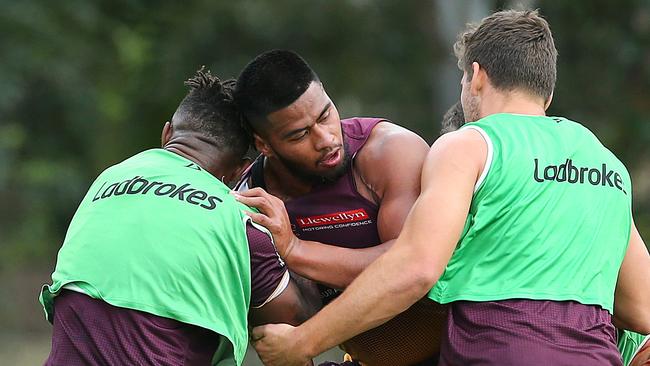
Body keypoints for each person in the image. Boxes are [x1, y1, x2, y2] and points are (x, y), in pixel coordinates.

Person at [249, 10, 650, 366]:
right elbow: (643, 307)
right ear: (547, 90)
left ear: (476, 77)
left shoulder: (470, 144)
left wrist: (303, 342)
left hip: (496, 353)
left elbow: (415, 268)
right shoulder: (606, 163)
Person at [39, 68, 315, 366]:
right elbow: (296, 318)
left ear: (167, 133)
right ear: (240, 170)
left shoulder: (107, 180)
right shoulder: (238, 220)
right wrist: (294, 239)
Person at [232, 50, 446, 365]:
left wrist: (295, 250)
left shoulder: (390, 152)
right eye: (300, 135)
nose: (326, 138)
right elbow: (283, 322)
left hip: (452, 354)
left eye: (325, 115)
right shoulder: (253, 196)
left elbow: (410, 265)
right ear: (264, 145)